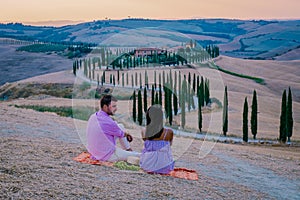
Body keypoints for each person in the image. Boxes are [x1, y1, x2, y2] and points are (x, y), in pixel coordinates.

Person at [86, 94, 141, 162]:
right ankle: (130, 152)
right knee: (137, 155)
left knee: (120, 126)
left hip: (94, 152)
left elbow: (119, 131)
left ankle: (128, 149)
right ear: (105, 107)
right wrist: (128, 134)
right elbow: (121, 134)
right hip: (106, 155)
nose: (116, 109)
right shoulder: (108, 122)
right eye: (113, 106)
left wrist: (126, 134)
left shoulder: (94, 116)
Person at [140, 105, 175, 174]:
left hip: (147, 165)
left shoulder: (144, 131)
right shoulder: (168, 132)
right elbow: (170, 145)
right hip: (164, 167)